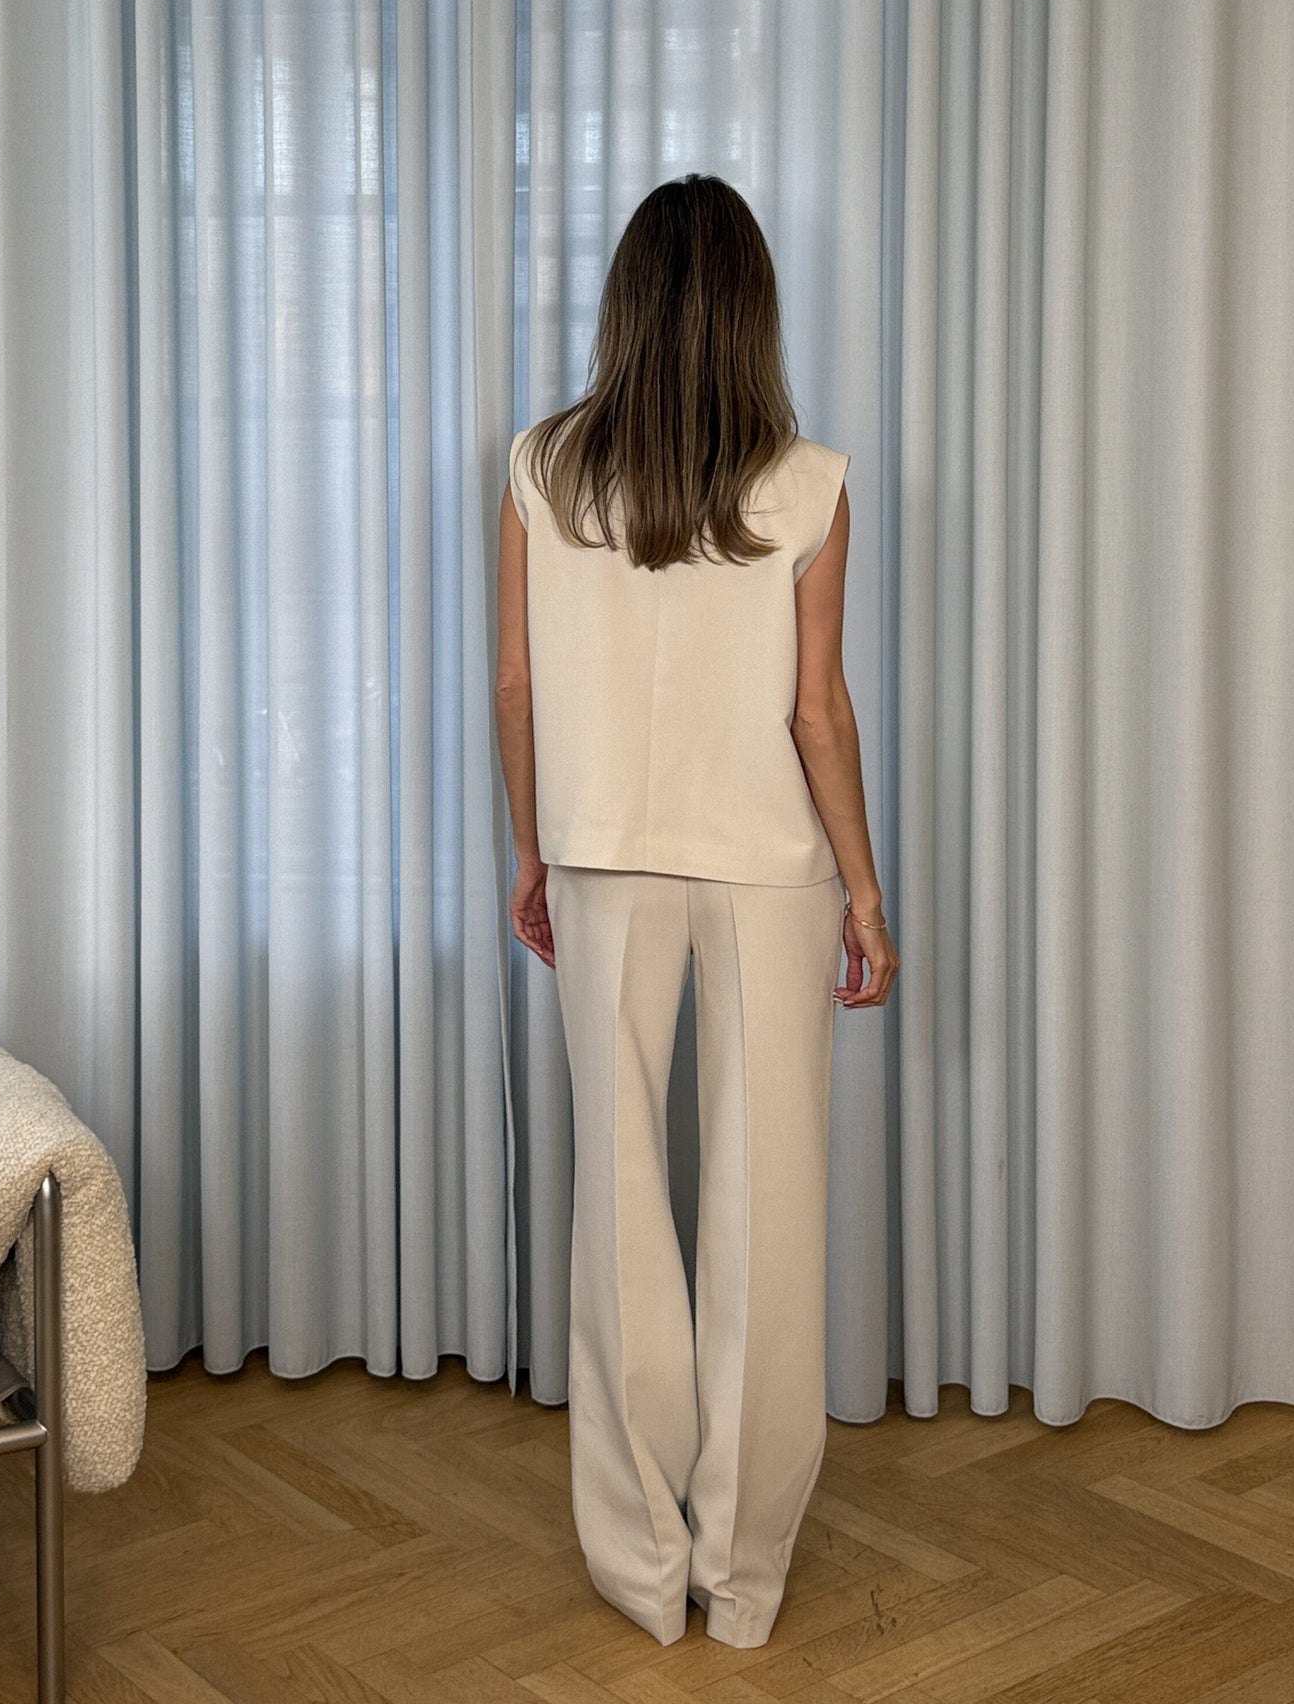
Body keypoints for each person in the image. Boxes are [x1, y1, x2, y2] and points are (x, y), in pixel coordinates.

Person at [493, 171, 899, 1651]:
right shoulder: (810, 481)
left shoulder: (542, 468)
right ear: (751, 310)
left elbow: (516, 685)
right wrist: (865, 892)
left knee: (616, 1204)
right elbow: (817, 710)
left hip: (599, 857)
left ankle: (637, 1563)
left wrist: (532, 853)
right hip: (768, 869)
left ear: (624, 303)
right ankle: (742, 1573)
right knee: (766, 1213)